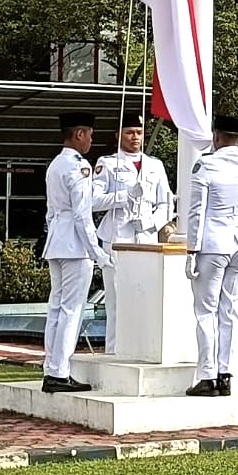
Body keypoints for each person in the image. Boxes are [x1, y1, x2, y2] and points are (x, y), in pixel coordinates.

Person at [185, 115, 238, 397]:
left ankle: (207, 375)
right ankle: (225, 372)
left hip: (212, 242)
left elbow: (197, 210)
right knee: (229, 311)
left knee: (206, 310)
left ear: (217, 136)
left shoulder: (206, 164)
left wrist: (191, 249)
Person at [92, 111, 174, 353]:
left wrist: (152, 223)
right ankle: (115, 351)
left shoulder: (154, 165)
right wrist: (123, 196)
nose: (134, 137)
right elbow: (94, 200)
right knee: (117, 300)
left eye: (138, 132)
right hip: (118, 237)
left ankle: (142, 350)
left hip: (145, 238)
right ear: (119, 135)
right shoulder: (107, 164)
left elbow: (166, 203)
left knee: (145, 297)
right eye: (129, 132)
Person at [41, 111, 109, 394]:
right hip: (74, 244)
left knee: (56, 308)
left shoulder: (56, 164)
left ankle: (52, 368)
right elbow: (82, 215)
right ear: (79, 134)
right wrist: (98, 253)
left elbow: (51, 212)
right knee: (72, 309)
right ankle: (60, 371)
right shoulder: (80, 167)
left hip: (57, 240)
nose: (91, 140)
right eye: (90, 134)